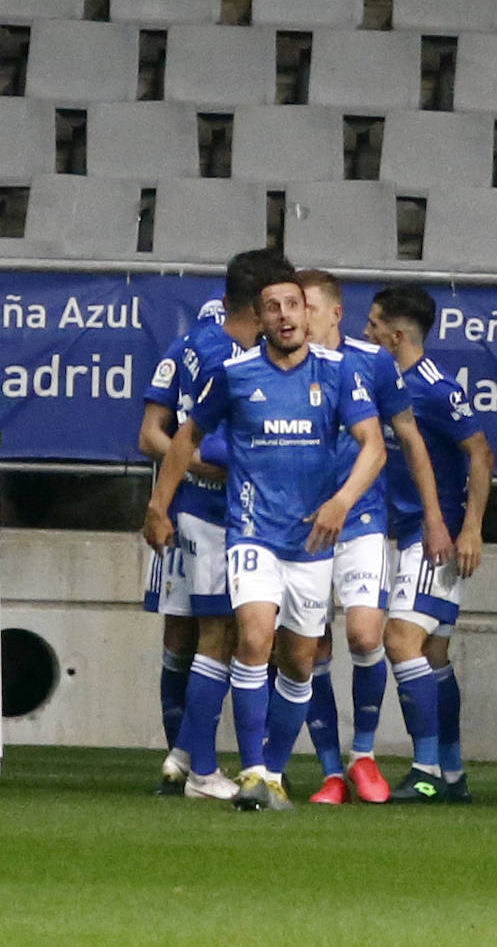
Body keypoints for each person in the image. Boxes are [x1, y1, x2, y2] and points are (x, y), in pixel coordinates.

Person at [143, 267, 386, 812]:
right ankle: (253, 770)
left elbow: (374, 446)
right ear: (261, 318)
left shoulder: (340, 372)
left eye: (292, 306)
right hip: (251, 532)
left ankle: (272, 772)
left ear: (307, 314)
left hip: (312, 541)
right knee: (253, 638)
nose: (283, 316)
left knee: (300, 661)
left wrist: (341, 502)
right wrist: (159, 505)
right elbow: (186, 438)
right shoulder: (233, 373)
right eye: (272, 307)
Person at [296, 270, 454, 806]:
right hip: (299, 523)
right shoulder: (278, 363)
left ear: (335, 313)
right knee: (307, 648)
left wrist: (434, 517)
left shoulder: (373, 364)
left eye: (307, 308)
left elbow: (408, 438)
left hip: (362, 518)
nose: (296, 318)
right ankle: (329, 772)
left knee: (366, 637)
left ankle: (363, 755)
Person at [139, 250, 292, 800]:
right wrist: (207, 467)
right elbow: (187, 438)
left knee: (194, 633)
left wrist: (169, 490)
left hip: (190, 508)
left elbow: (151, 434)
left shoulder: (187, 345)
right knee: (219, 635)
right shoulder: (239, 364)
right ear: (259, 304)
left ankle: (181, 758)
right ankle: (201, 768)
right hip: (216, 512)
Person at [363, 284, 494, 804]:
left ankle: (425, 771)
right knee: (434, 655)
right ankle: (453, 772)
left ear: (395, 336)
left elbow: (481, 454)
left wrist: (471, 528)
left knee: (400, 641)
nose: (366, 333)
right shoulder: (385, 382)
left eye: (373, 326)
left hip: (432, 535)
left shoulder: (435, 389)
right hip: (397, 532)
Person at [138, 297, 226, 794]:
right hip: (182, 511)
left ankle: (187, 758)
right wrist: (192, 464)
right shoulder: (184, 348)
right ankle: (182, 763)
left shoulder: (263, 358)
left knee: (228, 636)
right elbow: (151, 434)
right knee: (182, 637)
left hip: (237, 514)